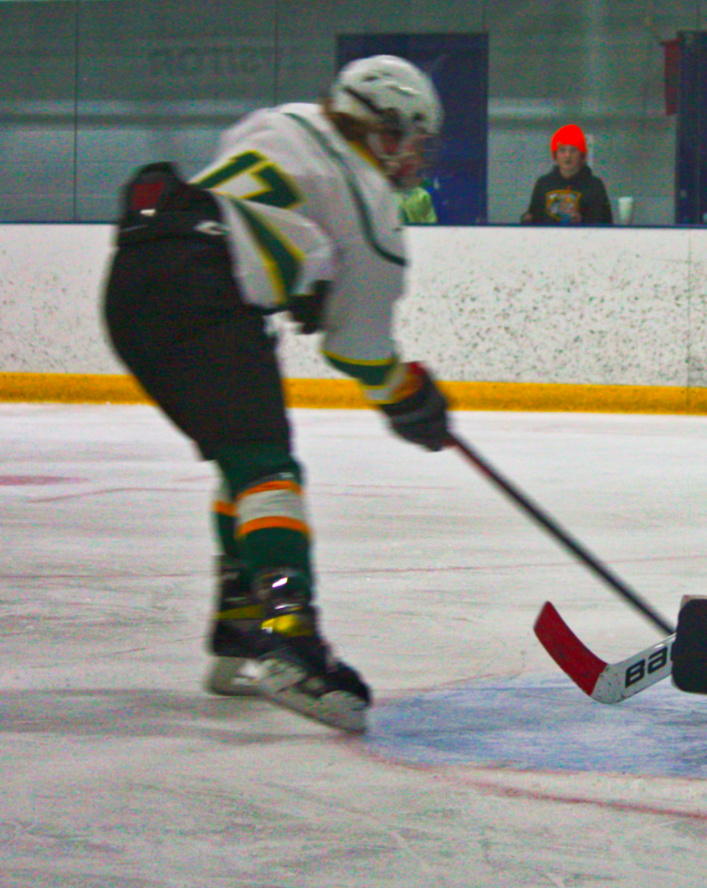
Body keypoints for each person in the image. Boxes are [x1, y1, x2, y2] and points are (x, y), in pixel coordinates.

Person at [101, 54, 452, 734]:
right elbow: (359, 350)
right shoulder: (372, 203)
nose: (411, 158)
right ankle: (291, 640)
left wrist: (299, 267)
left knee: (244, 457)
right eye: (404, 138)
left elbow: (258, 202)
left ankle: (239, 626)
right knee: (267, 470)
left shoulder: (284, 119)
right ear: (377, 128)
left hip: (135, 277)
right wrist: (411, 399)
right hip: (202, 288)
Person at [520, 124, 613, 224]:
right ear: (555, 155)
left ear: (581, 155)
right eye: (562, 150)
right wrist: (526, 219)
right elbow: (534, 218)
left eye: (573, 150)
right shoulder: (543, 184)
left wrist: (581, 221)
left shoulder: (594, 185)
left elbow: (606, 224)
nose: (567, 155)